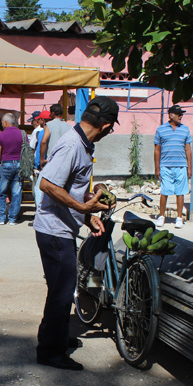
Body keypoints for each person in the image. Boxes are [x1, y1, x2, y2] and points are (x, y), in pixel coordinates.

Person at [33, 96, 119, 370]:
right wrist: (82, 206)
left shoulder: (82, 144)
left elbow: (69, 188)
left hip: (61, 229)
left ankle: (54, 338)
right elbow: (47, 184)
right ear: (106, 126)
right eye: (112, 127)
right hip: (53, 231)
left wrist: (86, 216)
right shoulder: (72, 145)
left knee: (60, 288)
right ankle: (49, 352)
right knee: (62, 291)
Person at [154, 104, 192, 229]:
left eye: (182, 114)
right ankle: (161, 216)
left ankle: (179, 217)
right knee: (164, 192)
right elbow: (157, 150)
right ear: (171, 115)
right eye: (179, 114)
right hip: (165, 166)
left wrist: (189, 167)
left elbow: (188, 149)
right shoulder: (161, 130)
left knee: (180, 193)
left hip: (181, 166)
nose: (181, 116)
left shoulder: (185, 129)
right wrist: (157, 167)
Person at [0, 113, 24, 225]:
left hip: (6, 164)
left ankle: (0, 218)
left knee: (2, 192)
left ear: (5, 122)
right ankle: (12, 219)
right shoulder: (22, 134)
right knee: (16, 193)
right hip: (19, 164)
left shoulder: (1, 135)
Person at [30, 110, 51, 206]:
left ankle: (39, 213)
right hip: (54, 163)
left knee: (38, 190)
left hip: (43, 165)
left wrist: (37, 164)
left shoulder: (41, 132)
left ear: (43, 120)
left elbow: (37, 149)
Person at [39, 103, 71, 167]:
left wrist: (41, 159)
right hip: (65, 160)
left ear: (53, 113)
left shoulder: (49, 125)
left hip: (52, 160)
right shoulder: (69, 126)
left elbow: (43, 141)